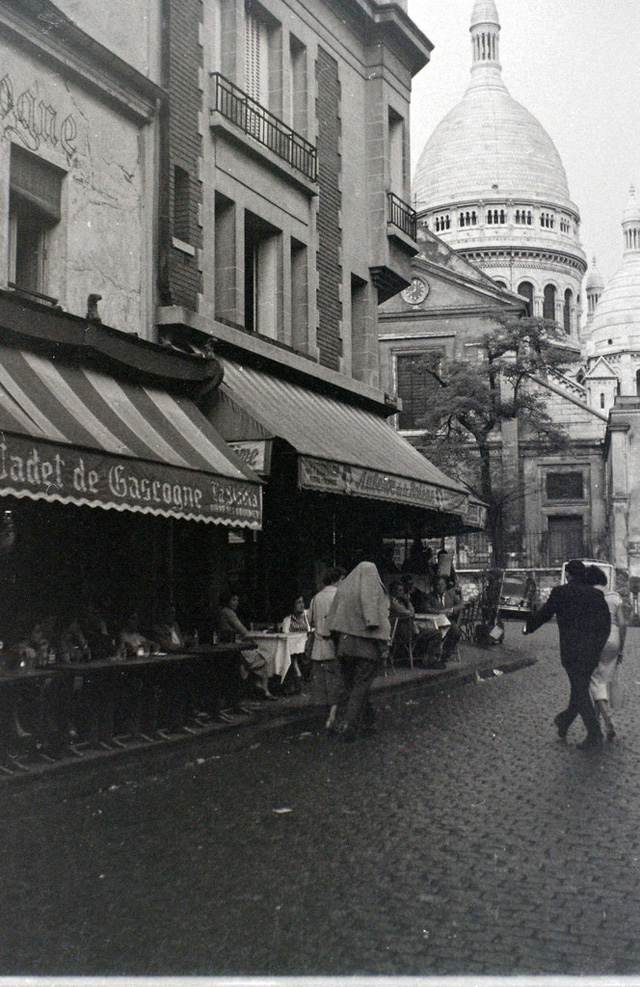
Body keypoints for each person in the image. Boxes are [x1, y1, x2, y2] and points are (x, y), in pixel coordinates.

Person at [523, 559, 611, 750]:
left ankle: (594, 734)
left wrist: (527, 628)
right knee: (579, 688)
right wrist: (597, 647)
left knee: (579, 690)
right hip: (590, 653)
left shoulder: (560, 593)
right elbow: (606, 625)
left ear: (568, 575)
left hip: (571, 652)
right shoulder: (596, 595)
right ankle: (564, 722)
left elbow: (544, 614)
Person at [326, 560, 390, 742]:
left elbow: (332, 619)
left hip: (344, 646)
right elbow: (372, 613)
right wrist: (382, 642)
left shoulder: (346, 588)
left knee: (350, 685)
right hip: (365, 647)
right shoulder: (369, 580)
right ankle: (349, 727)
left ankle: (357, 721)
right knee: (361, 686)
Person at [586, 565, 626, 742]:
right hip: (615, 639)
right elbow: (623, 623)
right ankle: (596, 724)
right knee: (603, 680)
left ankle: (609, 721)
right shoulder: (615, 597)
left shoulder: (590, 596)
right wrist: (621, 648)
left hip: (597, 638)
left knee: (595, 680)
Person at [218, 592, 275, 700]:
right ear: (227, 601)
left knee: (260, 654)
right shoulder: (228, 613)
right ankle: (264, 689)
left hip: (232, 646)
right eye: (233, 600)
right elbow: (243, 631)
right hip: (234, 647)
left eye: (237, 600)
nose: (236, 603)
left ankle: (259, 686)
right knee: (267, 655)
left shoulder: (223, 612)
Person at [308, 566, 345, 731]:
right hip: (333, 646)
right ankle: (332, 718)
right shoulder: (338, 596)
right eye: (343, 579)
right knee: (335, 684)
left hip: (318, 647)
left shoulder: (316, 598)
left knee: (320, 686)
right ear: (337, 579)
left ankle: (320, 720)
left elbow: (310, 620)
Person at [424, 576, 464, 665]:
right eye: (438, 585)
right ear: (434, 586)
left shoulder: (451, 595)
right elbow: (426, 608)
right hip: (435, 621)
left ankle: (446, 654)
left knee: (456, 632)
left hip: (448, 620)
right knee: (432, 633)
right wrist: (439, 612)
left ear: (445, 585)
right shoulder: (430, 596)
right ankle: (433, 656)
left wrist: (451, 610)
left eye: (442, 584)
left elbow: (461, 605)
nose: (440, 587)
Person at [281, 595, 311, 693]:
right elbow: (285, 633)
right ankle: (297, 675)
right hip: (294, 647)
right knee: (291, 654)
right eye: (298, 603)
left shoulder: (308, 615)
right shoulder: (288, 620)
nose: (301, 605)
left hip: (307, 645)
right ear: (293, 606)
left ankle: (299, 676)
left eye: (302, 602)